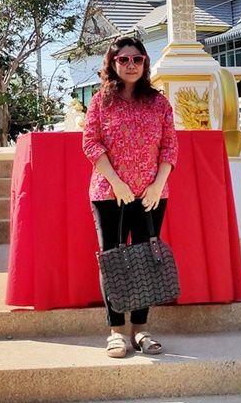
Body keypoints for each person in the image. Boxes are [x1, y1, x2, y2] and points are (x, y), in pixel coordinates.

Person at [81, 35, 178, 358]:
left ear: (145, 63)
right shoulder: (100, 102)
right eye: (123, 59)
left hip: (152, 194)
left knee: (145, 259)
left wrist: (157, 184)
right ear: (112, 64)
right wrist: (117, 183)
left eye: (137, 59)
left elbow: (170, 147)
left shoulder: (159, 103)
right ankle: (116, 332)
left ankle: (140, 330)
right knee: (113, 260)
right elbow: (91, 144)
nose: (131, 65)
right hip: (109, 193)